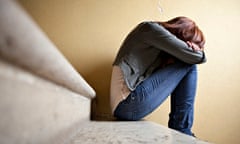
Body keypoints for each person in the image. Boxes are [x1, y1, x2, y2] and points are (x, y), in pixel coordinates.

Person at [110, 16, 206, 136]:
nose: (192, 48)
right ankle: (182, 130)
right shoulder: (149, 29)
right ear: (182, 35)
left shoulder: (158, 48)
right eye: (191, 45)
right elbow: (197, 58)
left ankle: (181, 129)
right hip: (126, 104)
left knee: (186, 62)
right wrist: (197, 52)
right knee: (189, 64)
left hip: (127, 106)